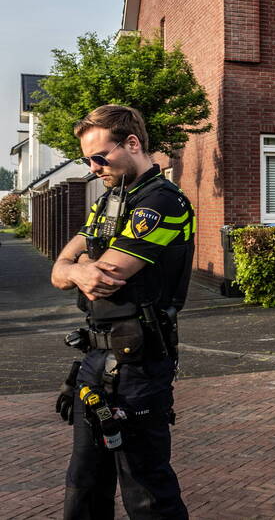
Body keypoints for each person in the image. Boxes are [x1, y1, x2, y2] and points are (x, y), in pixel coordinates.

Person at [51, 105, 193, 519]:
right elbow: (61, 271)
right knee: (84, 481)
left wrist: (74, 270)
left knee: (145, 487)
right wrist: (74, 270)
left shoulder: (162, 202)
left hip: (140, 364)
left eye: (100, 156)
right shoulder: (111, 201)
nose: (94, 167)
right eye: (87, 160)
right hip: (95, 360)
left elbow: (106, 274)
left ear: (132, 143)